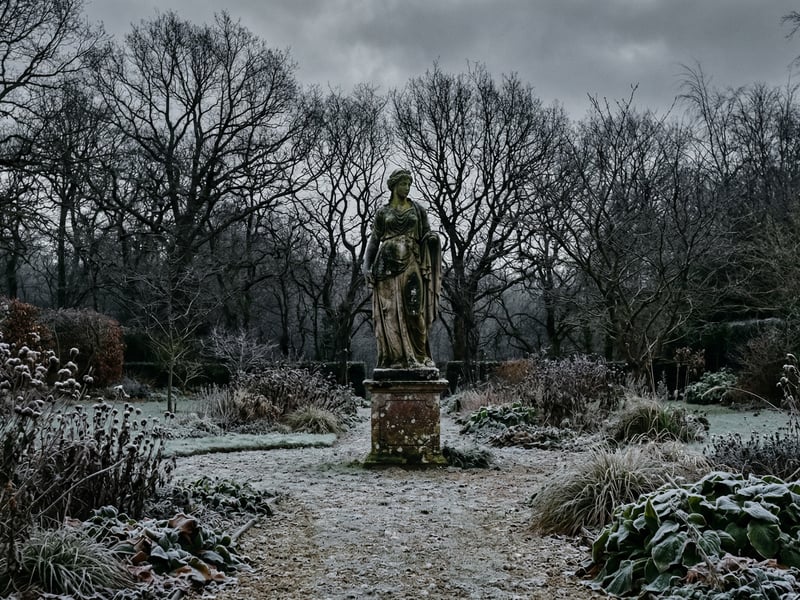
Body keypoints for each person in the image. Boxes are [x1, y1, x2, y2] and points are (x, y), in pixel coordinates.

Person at [364, 168, 441, 369]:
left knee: (414, 310)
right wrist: (366, 267)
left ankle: (421, 356)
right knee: (389, 314)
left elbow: (426, 233)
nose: (406, 188)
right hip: (385, 268)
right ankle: (396, 359)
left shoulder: (418, 210)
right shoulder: (383, 212)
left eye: (408, 184)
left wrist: (432, 239)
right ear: (394, 186)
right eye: (403, 184)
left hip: (412, 261)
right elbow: (374, 241)